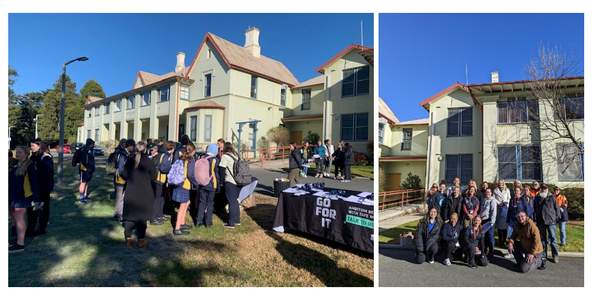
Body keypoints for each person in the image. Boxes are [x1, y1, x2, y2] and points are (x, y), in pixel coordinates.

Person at [120, 142, 155, 248]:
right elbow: (154, 175)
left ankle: (128, 238)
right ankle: (141, 239)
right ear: (145, 150)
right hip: (144, 192)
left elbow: (124, 174)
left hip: (131, 191)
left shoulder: (130, 160)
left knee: (130, 218)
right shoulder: (149, 161)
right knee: (142, 219)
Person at [9, 146, 39, 253]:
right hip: (13, 195)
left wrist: (36, 199)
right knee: (15, 218)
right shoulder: (16, 164)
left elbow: (34, 182)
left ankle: (20, 244)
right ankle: (17, 239)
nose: (17, 154)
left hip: (22, 197)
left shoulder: (29, 165)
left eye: (20, 152)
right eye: (16, 152)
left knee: (19, 218)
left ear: (26, 153)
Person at [28, 141, 54, 236]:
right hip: (36, 187)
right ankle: (34, 227)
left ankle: (42, 228)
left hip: (44, 187)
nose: (31, 147)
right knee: (35, 208)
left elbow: (47, 173)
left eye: (33, 145)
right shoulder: (34, 156)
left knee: (43, 208)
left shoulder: (46, 157)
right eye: (30, 145)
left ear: (39, 147)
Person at [171, 143, 196, 235]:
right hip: (185, 185)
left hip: (179, 183)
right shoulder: (191, 159)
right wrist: (196, 184)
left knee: (186, 203)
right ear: (193, 151)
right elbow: (190, 174)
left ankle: (182, 223)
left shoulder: (181, 158)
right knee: (183, 206)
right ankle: (177, 228)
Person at [534, 184, 561, 263]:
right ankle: (543, 255)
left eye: (545, 188)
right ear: (540, 189)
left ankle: (555, 255)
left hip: (551, 221)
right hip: (541, 221)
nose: (544, 189)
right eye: (542, 188)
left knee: (553, 239)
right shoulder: (537, 197)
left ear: (547, 189)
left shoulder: (551, 197)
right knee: (542, 240)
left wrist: (556, 218)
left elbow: (557, 208)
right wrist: (536, 218)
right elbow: (535, 208)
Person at [196, 144, 220, 228]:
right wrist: (218, 185)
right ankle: (208, 222)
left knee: (202, 202)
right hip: (211, 184)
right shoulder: (215, 160)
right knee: (210, 203)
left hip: (202, 183)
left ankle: (199, 221)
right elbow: (216, 174)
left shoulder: (201, 157)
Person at [220, 142, 241, 228]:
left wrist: (221, 182)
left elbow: (222, 169)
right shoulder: (236, 156)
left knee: (231, 202)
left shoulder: (225, 156)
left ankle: (231, 223)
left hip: (230, 181)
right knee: (235, 201)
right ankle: (237, 220)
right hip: (238, 182)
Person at [149, 143, 171, 225]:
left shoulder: (155, 156)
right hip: (160, 179)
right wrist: (170, 168)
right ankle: (153, 218)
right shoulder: (164, 156)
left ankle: (159, 215)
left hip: (154, 179)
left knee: (159, 198)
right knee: (158, 199)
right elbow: (163, 168)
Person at [114, 139, 134, 221]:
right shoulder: (122, 155)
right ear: (129, 146)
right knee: (120, 197)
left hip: (123, 178)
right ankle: (119, 215)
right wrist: (127, 177)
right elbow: (121, 168)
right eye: (132, 146)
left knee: (121, 197)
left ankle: (118, 213)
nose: (133, 148)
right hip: (121, 178)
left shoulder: (126, 154)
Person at [76, 138, 96, 204]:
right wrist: (85, 169)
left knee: (87, 182)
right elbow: (81, 161)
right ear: (90, 144)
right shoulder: (83, 150)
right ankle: (81, 198)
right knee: (83, 182)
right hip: (83, 169)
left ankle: (85, 195)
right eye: (93, 144)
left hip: (89, 169)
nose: (93, 145)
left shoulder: (90, 150)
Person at [479, 188, 497, 257]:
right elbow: (481, 210)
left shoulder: (492, 200)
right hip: (483, 220)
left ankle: (491, 251)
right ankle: (485, 250)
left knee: (490, 236)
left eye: (489, 192)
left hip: (489, 221)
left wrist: (492, 222)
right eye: (486, 192)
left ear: (491, 193)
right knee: (484, 236)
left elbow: (493, 212)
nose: (488, 193)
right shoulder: (484, 200)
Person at [493, 179, 511, 247]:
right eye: (499, 183)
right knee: (499, 226)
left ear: (503, 183)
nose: (500, 184)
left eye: (502, 183)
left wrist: (506, 202)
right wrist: (499, 203)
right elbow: (494, 198)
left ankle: (504, 240)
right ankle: (500, 241)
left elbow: (509, 197)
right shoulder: (495, 190)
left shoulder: (507, 190)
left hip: (506, 208)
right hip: (499, 208)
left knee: (505, 226)